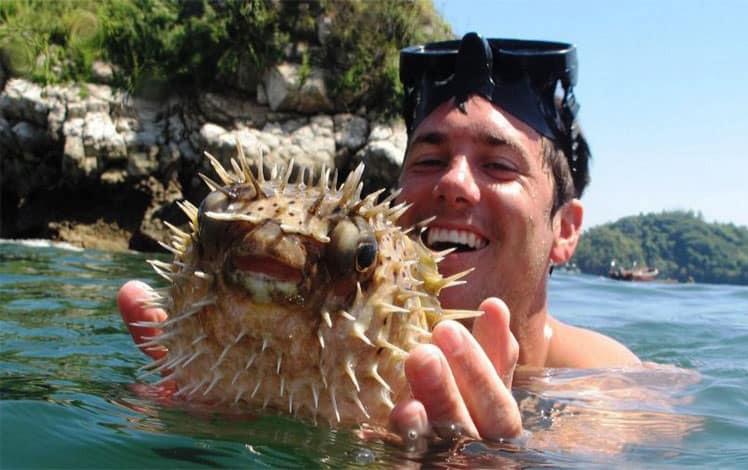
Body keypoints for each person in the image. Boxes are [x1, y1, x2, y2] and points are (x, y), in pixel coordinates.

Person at [118, 32, 640, 443]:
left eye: (499, 166)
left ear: (565, 229)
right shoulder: (202, 345)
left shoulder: (618, 394)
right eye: (429, 160)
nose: (452, 183)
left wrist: (497, 460)